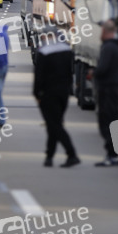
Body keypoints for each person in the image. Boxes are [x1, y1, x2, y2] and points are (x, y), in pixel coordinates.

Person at [33, 27, 80, 168]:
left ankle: (72, 154)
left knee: (54, 125)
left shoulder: (44, 52)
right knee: (54, 123)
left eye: (43, 36)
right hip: (63, 93)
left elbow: (39, 76)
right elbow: (70, 72)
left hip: (49, 94)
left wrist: (36, 93)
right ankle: (49, 156)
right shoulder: (67, 50)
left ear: (47, 36)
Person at [94, 19, 118, 167]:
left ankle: (111, 155)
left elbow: (102, 68)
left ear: (105, 31)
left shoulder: (108, 48)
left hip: (107, 89)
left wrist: (93, 73)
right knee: (114, 120)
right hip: (116, 87)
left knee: (106, 122)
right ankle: (115, 155)